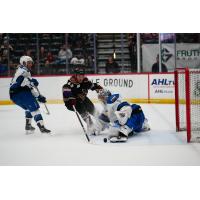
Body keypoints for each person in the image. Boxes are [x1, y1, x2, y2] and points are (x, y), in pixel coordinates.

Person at [9, 56, 51, 134]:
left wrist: (38, 96)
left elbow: (29, 88)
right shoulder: (22, 71)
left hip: (14, 95)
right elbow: (20, 82)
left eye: (31, 62)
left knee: (29, 108)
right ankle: (42, 128)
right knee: (35, 108)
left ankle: (28, 125)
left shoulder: (23, 70)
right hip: (19, 93)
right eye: (29, 62)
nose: (31, 64)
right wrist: (31, 81)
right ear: (24, 63)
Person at [62, 67, 103, 135]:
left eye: (82, 75)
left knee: (93, 110)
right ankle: (91, 126)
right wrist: (71, 98)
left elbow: (92, 86)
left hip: (81, 98)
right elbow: (66, 91)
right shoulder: (70, 83)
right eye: (79, 76)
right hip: (71, 102)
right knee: (84, 112)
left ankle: (103, 122)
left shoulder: (85, 81)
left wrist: (99, 88)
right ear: (75, 75)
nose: (81, 77)